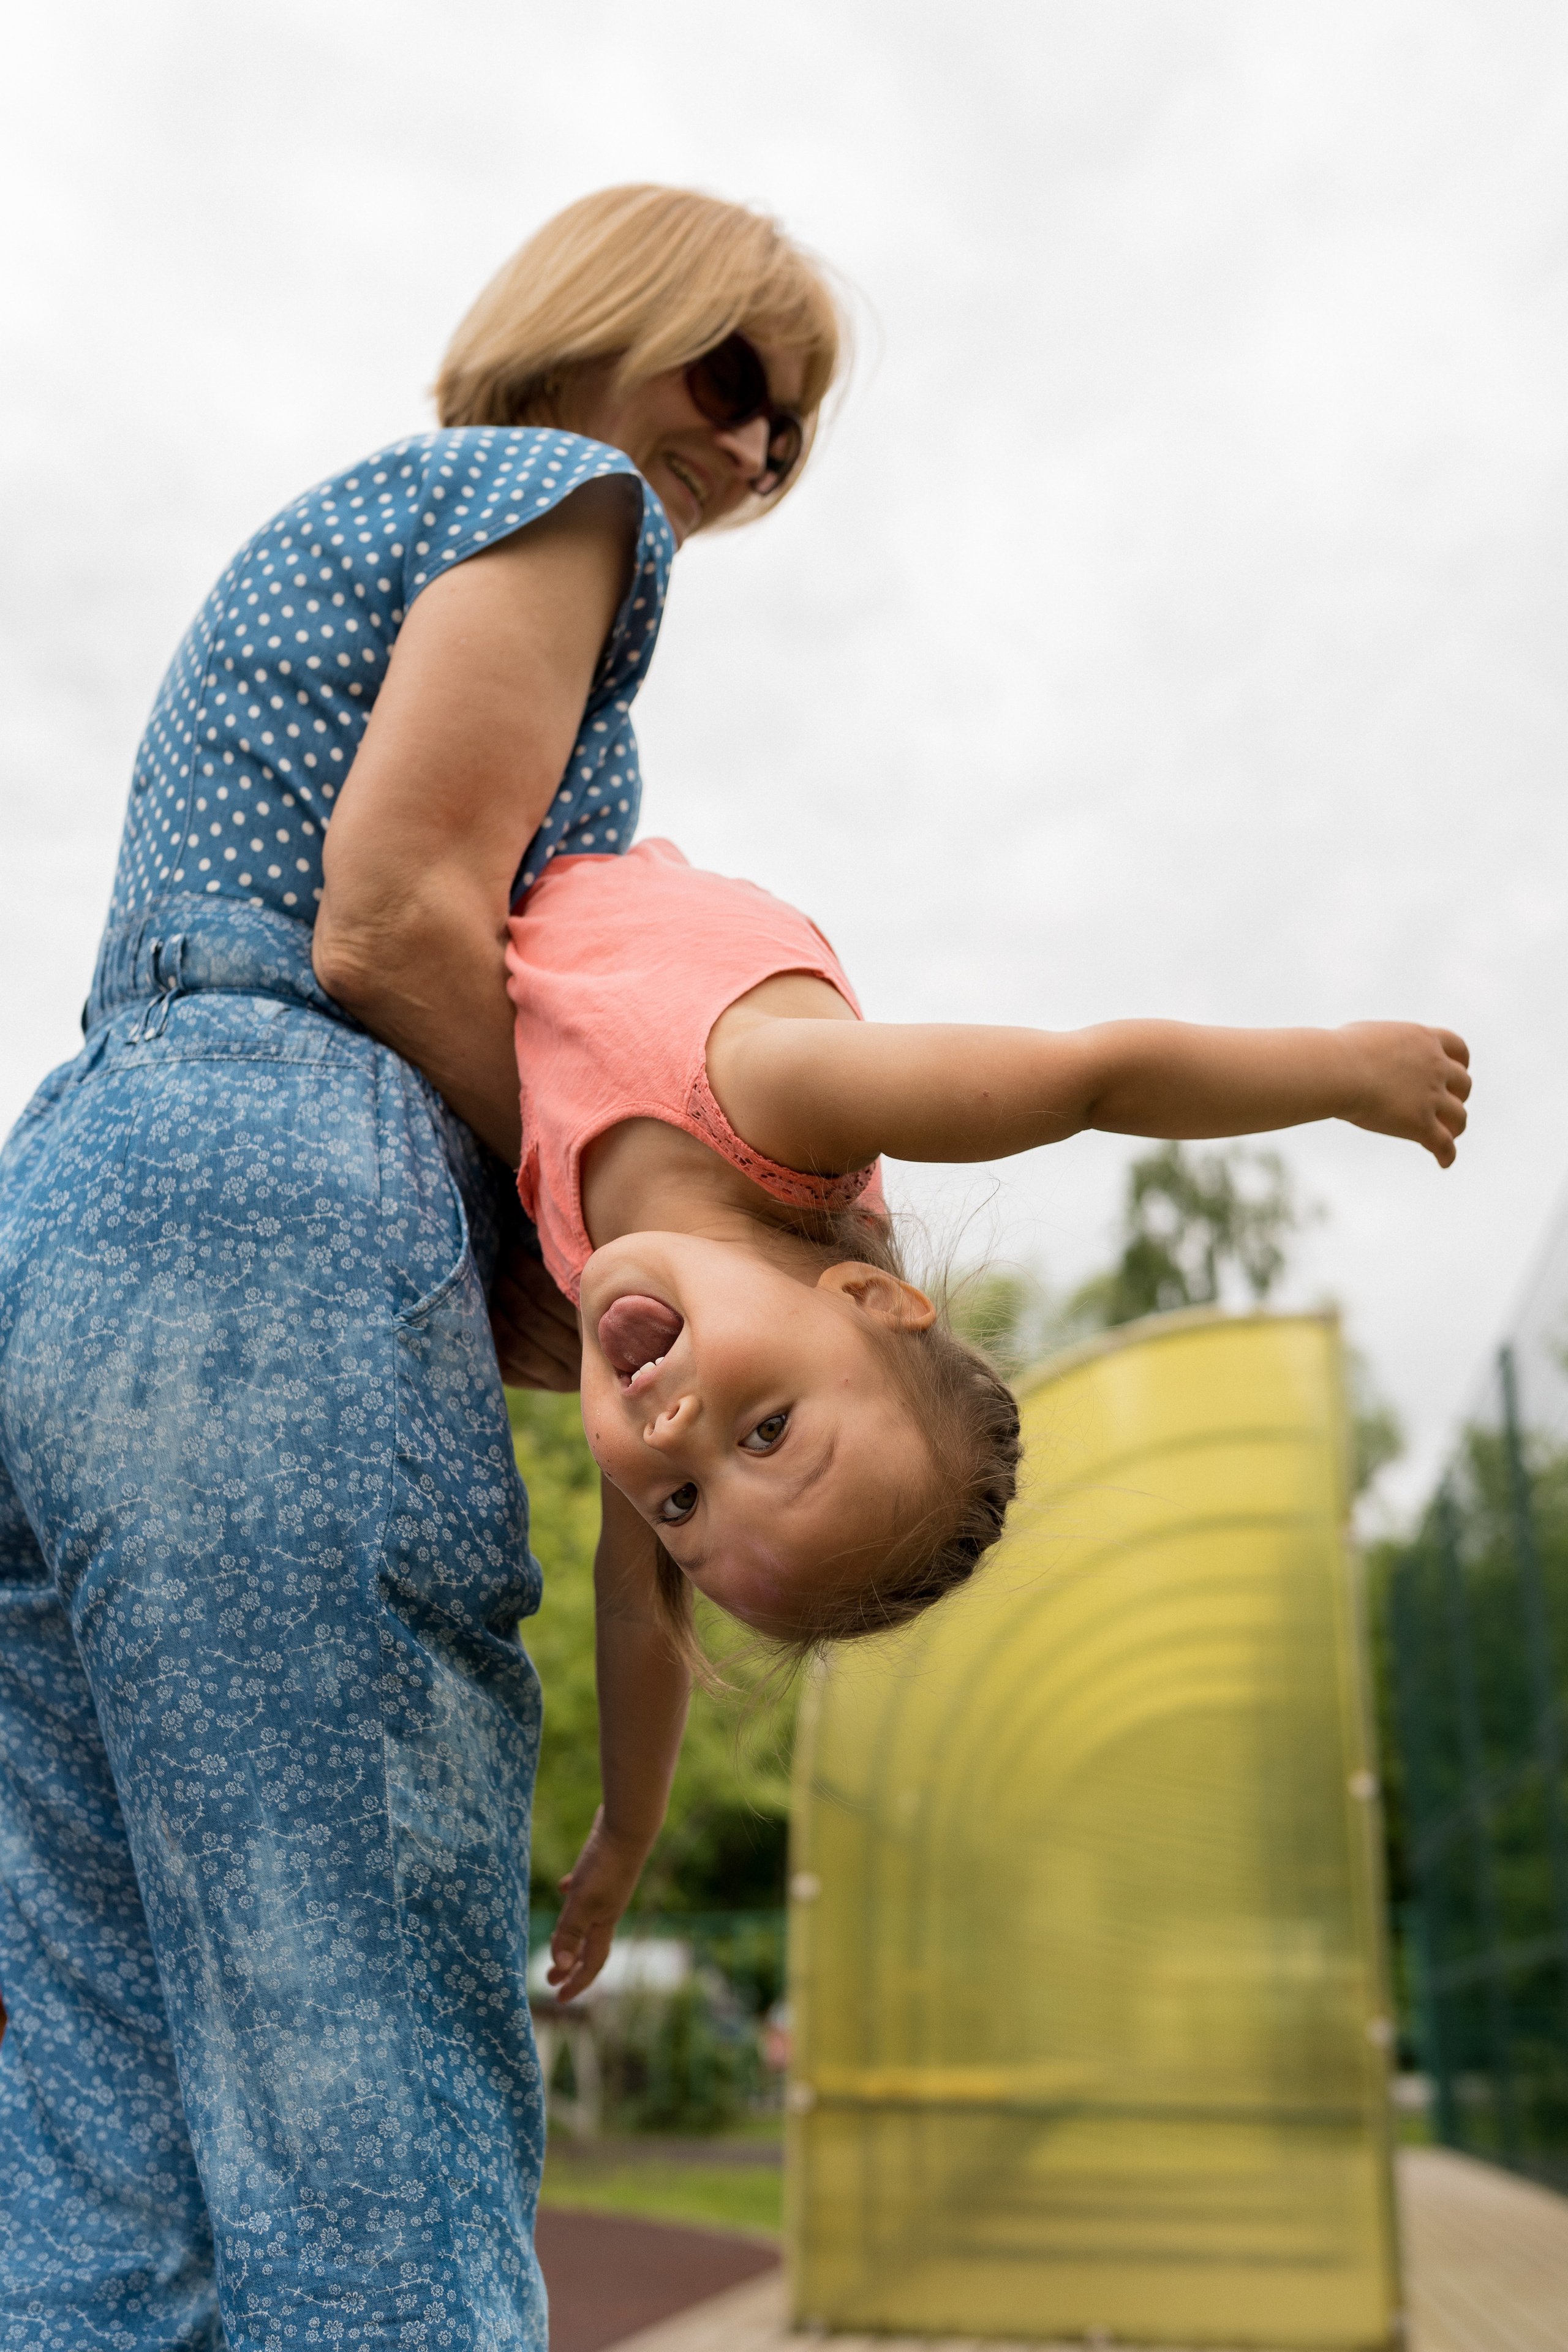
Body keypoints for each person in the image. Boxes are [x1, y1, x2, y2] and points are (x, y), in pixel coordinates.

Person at [0, 186, 845, 2351]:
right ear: (608, 321)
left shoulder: (380, 527)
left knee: (90, 2138)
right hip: (278, 1183)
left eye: (797, 434)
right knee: (359, 2069)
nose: (754, 454)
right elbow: (389, 924)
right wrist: (625, 1234)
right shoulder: (558, 497)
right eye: (740, 377)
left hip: (82, 1196)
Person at [500, 838, 1471, 2003]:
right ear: (867, 1298)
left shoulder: (646, 1344)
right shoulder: (775, 1101)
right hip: (593, 857)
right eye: (767, 1434)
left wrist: (626, 1835)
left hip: (525, 918)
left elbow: (631, 1606)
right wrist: (1350, 1073)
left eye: (682, 1506)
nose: (675, 1437)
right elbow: (1087, 1082)